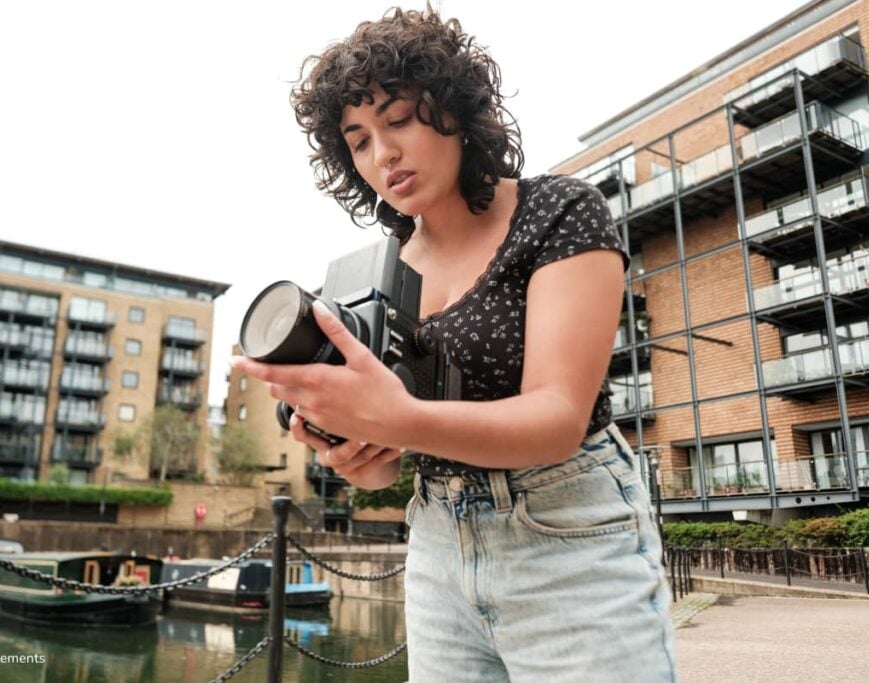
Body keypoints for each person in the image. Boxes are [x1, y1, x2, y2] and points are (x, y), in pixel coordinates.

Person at [231, 7, 676, 681]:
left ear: (456, 108)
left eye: (399, 119)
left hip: (569, 533)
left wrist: (396, 417)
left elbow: (557, 417)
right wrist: (353, 448)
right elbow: (389, 465)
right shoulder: (373, 275)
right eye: (358, 140)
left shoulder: (560, 211)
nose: (382, 153)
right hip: (436, 543)